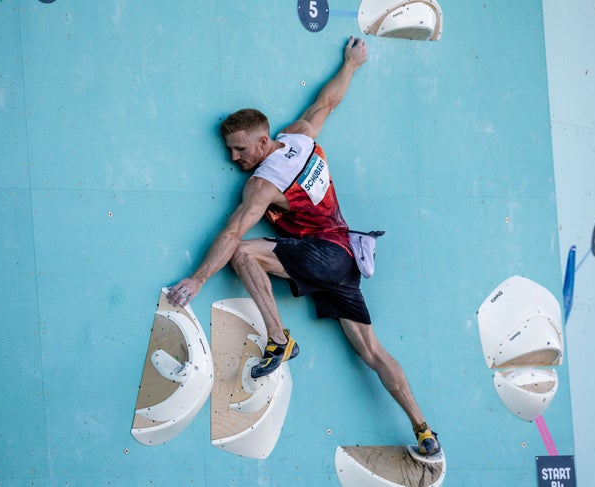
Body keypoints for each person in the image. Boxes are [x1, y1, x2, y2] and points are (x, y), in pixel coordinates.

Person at [168, 36, 441, 457]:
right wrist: (352, 65)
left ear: (262, 143)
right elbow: (326, 103)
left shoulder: (263, 183)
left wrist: (199, 279)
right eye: (229, 150)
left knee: (243, 253)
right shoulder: (299, 137)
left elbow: (233, 233)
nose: (234, 157)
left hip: (324, 255)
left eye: (240, 148)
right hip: (345, 258)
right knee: (372, 351)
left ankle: (279, 340)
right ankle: (424, 430)